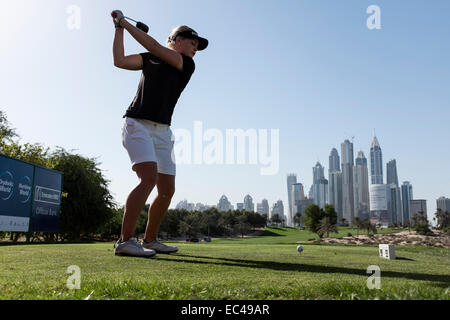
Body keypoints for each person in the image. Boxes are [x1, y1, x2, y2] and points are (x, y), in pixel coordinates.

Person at [111, 10, 208, 257]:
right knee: (148, 179)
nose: (195, 46)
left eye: (197, 44)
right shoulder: (149, 58)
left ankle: (150, 240)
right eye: (191, 40)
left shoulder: (187, 64)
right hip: (137, 125)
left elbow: (153, 44)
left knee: (167, 190)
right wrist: (119, 28)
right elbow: (120, 60)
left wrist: (123, 21)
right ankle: (125, 241)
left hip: (163, 131)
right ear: (175, 39)